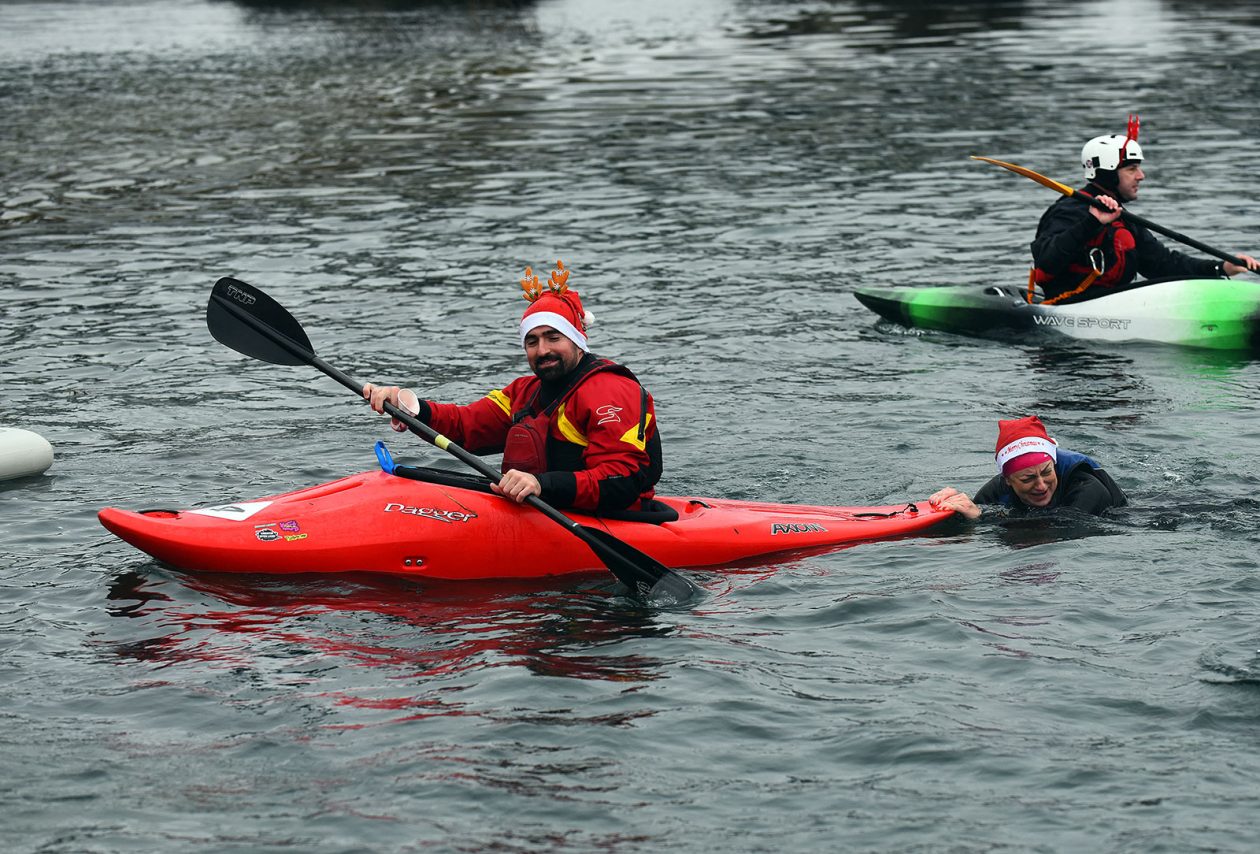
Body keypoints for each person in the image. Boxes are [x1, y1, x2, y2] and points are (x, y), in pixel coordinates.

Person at [362, 261, 663, 513]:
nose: (542, 350)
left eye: (553, 337)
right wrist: (405, 403)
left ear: (577, 340)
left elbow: (620, 479)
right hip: (549, 509)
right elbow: (465, 427)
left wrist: (541, 484)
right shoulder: (523, 392)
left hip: (619, 519)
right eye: (532, 342)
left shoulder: (608, 390)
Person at [1029, 115, 1259, 304]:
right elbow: (1046, 261)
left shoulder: (1123, 219)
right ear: (1108, 173)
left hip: (1111, 307)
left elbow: (1164, 265)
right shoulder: (1069, 211)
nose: (1141, 176)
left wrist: (1222, 267)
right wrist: (1091, 222)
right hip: (1069, 307)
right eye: (1132, 169)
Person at [930, 415, 1126, 520]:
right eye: (1027, 479)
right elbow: (978, 511)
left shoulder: (1087, 488)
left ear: (1054, 464)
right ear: (1007, 480)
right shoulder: (997, 490)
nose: (1041, 485)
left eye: (1047, 472)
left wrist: (981, 520)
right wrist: (954, 510)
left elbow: (1061, 531)